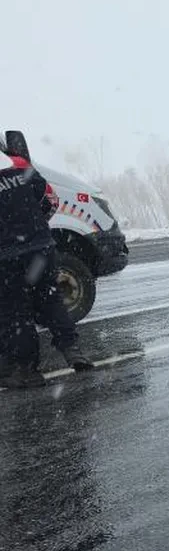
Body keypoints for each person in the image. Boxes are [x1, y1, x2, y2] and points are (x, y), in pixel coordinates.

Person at [0, 146, 91, 389]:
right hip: (41, 248)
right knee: (49, 297)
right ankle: (72, 350)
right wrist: (35, 228)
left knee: (15, 313)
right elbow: (49, 199)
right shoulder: (17, 164)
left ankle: (26, 371)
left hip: (7, 256)